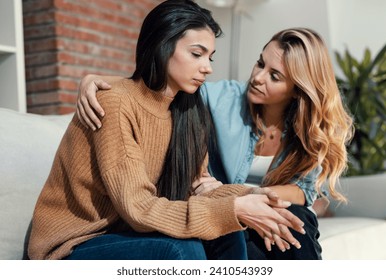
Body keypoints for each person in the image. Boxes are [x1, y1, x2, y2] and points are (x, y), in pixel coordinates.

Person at [28, 0, 305, 260]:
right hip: (74, 243)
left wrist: (249, 197)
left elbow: (198, 186)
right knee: (180, 250)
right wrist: (232, 208)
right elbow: (137, 208)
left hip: (126, 234)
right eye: (197, 54)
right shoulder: (114, 102)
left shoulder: (188, 110)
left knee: (230, 233)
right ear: (163, 45)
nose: (207, 68)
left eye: (210, 57)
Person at [76, 27, 354, 260]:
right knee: (285, 227)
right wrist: (97, 80)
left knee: (296, 220)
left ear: (297, 90)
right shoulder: (222, 99)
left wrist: (252, 194)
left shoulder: (308, 130)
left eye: (275, 76)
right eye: (260, 63)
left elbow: (303, 191)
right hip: (220, 212)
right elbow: (166, 90)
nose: (258, 77)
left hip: (252, 209)